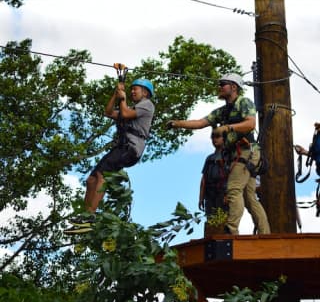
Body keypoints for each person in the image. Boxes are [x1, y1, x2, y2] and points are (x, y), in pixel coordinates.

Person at [167, 73, 270, 235]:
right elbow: (200, 123)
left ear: (234, 87)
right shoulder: (222, 112)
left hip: (246, 152)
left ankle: (231, 230)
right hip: (236, 155)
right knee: (249, 198)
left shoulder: (244, 102)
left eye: (223, 84)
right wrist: (177, 123)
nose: (219, 87)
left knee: (233, 190)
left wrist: (228, 128)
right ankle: (265, 234)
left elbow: (250, 124)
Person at [66, 78, 155, 232]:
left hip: (131, 149)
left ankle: (90, 218)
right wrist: (116, 94)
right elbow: (108, 112)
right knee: (91, 179)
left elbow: (125, 113)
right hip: (121, 148)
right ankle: (85, 216)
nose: (132, 91)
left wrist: (123, 98)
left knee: (103, 176)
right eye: (131, 89)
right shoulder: (131, 108)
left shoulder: (147, 105)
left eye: (136, 89)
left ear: (145, 92)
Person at [199, 130, 228, 236]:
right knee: (211, 220)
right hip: (210, 194)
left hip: (223, 193)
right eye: (212, 137)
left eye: (217, 136)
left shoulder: (228, 156)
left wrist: (228, 193)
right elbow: (204, 179)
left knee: (223, 221)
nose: (214, 139)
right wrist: (201, 197)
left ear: (224, 138)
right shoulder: (209, 158)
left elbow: (232, 177)